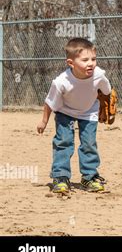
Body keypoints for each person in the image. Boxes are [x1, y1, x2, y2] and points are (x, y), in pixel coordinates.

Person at [37, 38, 111, 193]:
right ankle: (61, 177)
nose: (91, 63)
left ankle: (89, 178)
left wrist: (107, 101)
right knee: (63, 142)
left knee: (89, 143)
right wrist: (44, 121)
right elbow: (49, 102)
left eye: (93, 59)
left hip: (89, 112)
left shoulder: (99, 75)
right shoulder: (61, 82)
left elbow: (107, 92)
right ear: (71, 63)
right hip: (66, 112)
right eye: (85, 60)